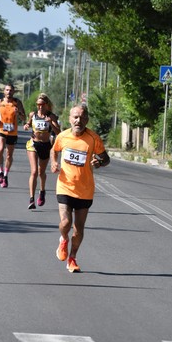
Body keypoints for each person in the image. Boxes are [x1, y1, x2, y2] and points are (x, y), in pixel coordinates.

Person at [51, 104, 110, 272]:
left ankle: (72, 258)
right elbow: (54, 150)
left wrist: (99, 162)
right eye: (75, 117)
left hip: (85, 189)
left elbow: (106, 159)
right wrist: (54, 162)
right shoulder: (62, 137)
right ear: (70, 119)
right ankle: (63, 239)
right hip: (65, 185)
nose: (79, 120)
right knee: (66, 222)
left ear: (87, 120)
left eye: (82, 117)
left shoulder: (93, 138)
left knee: (78, 229)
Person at [24, 93, 61, 209]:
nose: (40, 107)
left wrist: (50, 122)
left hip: (45, 145)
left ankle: (42, 191)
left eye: (42, 104)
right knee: (34, 171)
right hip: (33, 144)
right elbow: (28, 123)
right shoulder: (33, 114)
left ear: (46, 105)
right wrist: (26, 126)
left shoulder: (52, 116)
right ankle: (31, 199)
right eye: (38, 104)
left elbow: (58, 132)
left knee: (41, 173)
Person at [0, 83, 26, 188]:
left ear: (14, 92)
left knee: (9, 155)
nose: (9, 92)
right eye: (7, 90)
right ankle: (0, 171)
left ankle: (6, 175)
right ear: (4, 91)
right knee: (0, 149)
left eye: (11, 90)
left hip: (12, 132)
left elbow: (24, 118)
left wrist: (19, 113)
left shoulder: (17, 103)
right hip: (1, 129)